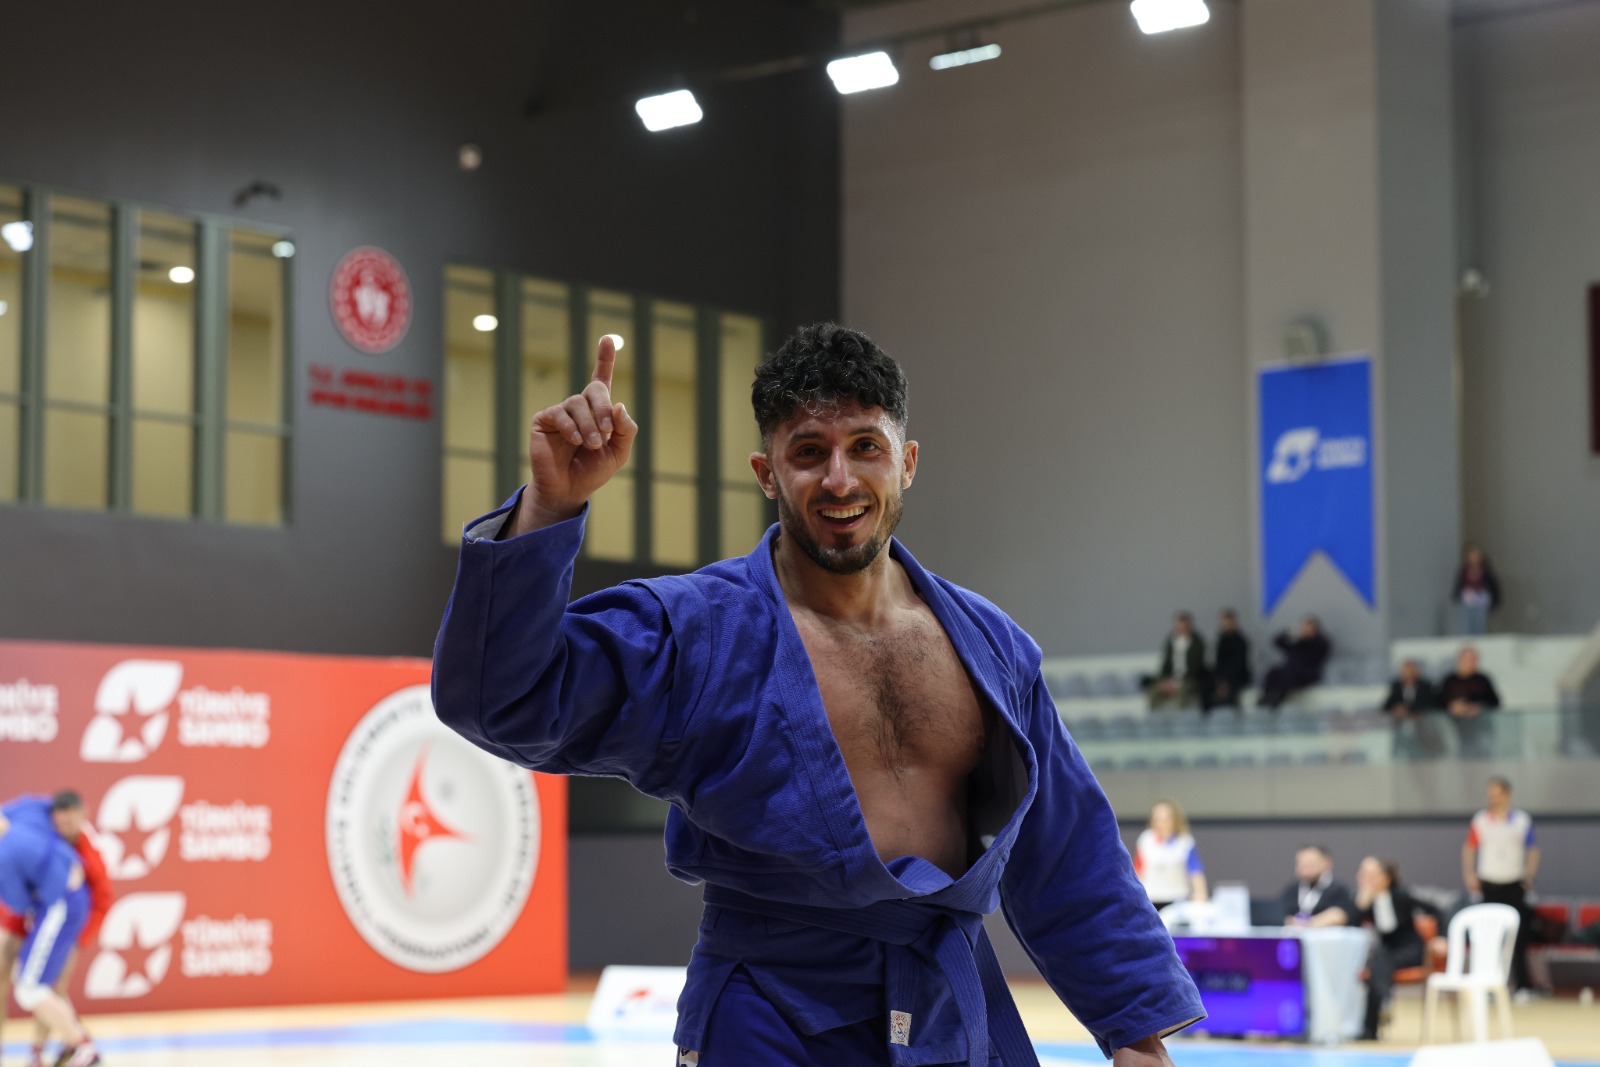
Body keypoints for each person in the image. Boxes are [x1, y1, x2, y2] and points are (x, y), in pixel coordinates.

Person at [433, 325, 1204, 1066]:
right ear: (767, 473)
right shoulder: (697, 631)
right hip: (770, 1016)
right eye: (808, 452)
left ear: (906, 461)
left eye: (865, 446)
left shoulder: (991, 645)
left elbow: (1066, 848)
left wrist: (1136, 1030)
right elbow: (502, 700)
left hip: (943, 1009)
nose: (839, 478)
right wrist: (550, 508)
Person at [0, 792, 114, 1067]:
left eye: (69, 824)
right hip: (47, 908)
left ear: (82, 816)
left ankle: (71, 1046)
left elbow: (18, 902)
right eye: (59, 824)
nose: (63, 830)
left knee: (38, 986)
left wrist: (78, 941)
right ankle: (60, 1047)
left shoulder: (84, 846)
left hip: (58, 908)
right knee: (26, 980)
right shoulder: (28, 813)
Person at [1463, 776, 1538, 995]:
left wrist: (1529, 874)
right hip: (1489, 884)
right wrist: (1469, 874)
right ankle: (1488, 986)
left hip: (1514, 884)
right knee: (1488, 937)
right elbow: (1469, 848)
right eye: (1490, 795)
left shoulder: (1521, 820)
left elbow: (1533, 848)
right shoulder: (1481, 820)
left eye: (1497, 794)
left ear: (1508, 795)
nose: (1493, 799)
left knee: (1519, 936)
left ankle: (1522, 986)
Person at [1351, 857, 1437, 1040]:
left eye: (1371, 875)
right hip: (1388, 952)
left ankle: (1371, 1025)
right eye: (1363, 875)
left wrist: (1441, 937)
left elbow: (1436, 910)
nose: (1365, 879)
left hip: (1411, 949)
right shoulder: (1367, 900)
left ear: (1386, 878)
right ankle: (1384, 1003)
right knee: (1379, 961)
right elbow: (1352, 925)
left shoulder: (1401, 896)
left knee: (1378, 964)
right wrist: (1361, 905)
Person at [1132, 800, 1207, 911]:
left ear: (1175, 820)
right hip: (1150, 899)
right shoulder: (1145, 839)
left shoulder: (1185, 842)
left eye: (1166, 818)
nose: (1162, 823)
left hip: (1177, 899)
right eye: (1157, 818)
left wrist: (1200, 894)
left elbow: (1195, 871)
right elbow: (1138, 870)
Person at [1438, 647, 1501, 759]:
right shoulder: (1449, 680)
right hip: (1454, 731)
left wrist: (1478, 707)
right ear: (1460, 660)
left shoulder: (1483, 680)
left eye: (1475, 659)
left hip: (1480, 730)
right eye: (1470, 659)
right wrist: (1452, 707)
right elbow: (1437, 702)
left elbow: (1495, 702)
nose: (1473, 662)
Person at [1258, 616, 1331, 710]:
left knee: (1290, 674)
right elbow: (1277, 641)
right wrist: (1289, 633)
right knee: (1273, 671)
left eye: (1309, 628)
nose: (1306, 630)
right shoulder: (1297, 644)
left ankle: (1277, 700)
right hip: (1290, 671)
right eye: (1304, 627)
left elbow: (1323, 647)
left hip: (1307, 674)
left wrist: (1312, 637)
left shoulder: (1318, 644)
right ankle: (1266, 696)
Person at [1277, 844, 1354, 928]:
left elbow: (1339, 916)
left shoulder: (1339, 890)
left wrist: (1309, 923)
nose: (1305, 867)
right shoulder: (1291, 890)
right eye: (1301, 863)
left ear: (1327, 863)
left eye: (1311, 863)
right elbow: (1281, 913)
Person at [1383, 659, 1442, 760]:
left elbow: (1430, 703)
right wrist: (1397, 708)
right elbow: (1386, 705)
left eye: (1410, 670)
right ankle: (1397, 755)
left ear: (1416, 671)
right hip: (1400, 723)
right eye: (1405, 670)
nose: (1408, 673)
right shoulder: (1396, 686)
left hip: (1423, 722)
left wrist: (1409, 710)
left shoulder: (1425, 686)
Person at [1146, 613, 1206, 710]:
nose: (1181, 629)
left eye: (1184, 626)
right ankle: (1156, 717)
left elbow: (1196, 666)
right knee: (1153, 692)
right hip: (1171, 679)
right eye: (1179, 626)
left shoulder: (1197, 642)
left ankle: (1179, 717)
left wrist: (1176, 683)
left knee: (1181, 694)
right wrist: (1164, 680)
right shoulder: (1171, 641)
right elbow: (1166, 663)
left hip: (1189, 680)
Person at [1205, 609, 1251, 711]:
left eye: (1229, 623)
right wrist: (1220, 679)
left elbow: (1239, 664)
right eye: (1224, 623)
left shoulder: (1241, 641)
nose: (1226, 626)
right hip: (1221, 675)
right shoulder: (1219, 640)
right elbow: (1216, 663)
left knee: (1229, 688)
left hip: (1237, 676)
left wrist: (1224, 681)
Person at [1451, 544, 1500, 636]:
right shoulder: (1465, 570)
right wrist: (1456, 595)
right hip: (1468, 598)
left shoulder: (1485, 570)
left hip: (1481, 597)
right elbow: (1459, 583)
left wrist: (1495, 601)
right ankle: (1467, 639)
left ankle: (1479, 638)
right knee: (1467, 621)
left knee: (1479, 622)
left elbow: (1493, 585)